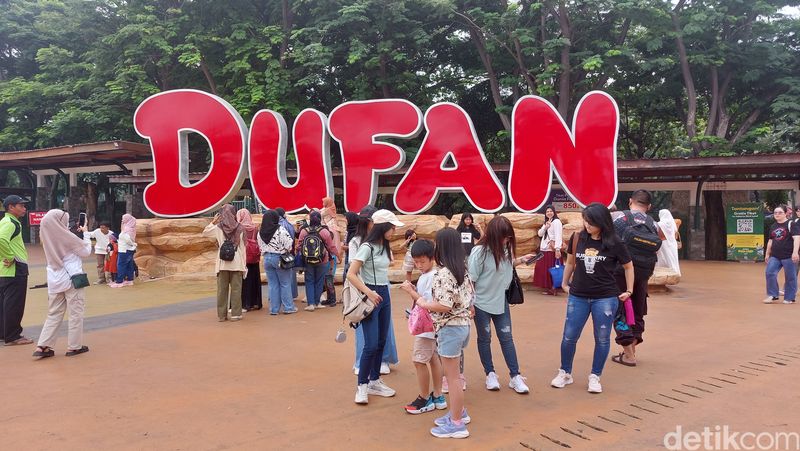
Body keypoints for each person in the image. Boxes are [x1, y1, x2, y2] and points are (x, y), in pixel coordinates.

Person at [551, 203, 634, 393]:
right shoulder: (578, 237)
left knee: (602, 338)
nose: (587, 225)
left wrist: (629, 290)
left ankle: (595, 376)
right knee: (569, 336)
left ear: (602, 222)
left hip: (605, 297)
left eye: (591, 222)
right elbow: (570, 262)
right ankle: (565, 372)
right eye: (585, 221)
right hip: (578, 295)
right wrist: (564, 283)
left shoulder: (614, 242)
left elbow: (629, 266)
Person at [467, 215, 535, 394]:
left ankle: (515, 376)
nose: (507, 240)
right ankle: (490, 373)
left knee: (507, 338)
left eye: (509, 237)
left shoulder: (505, 249)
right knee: (485, 339)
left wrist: (521, 260)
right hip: (481, 303)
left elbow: (506, 265)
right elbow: (470, 280)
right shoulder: (479, 252)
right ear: (494, 235)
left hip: (501, 301)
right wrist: (470, 304)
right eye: (504, 237)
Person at [348, 209, 404, 405]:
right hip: (371, 295)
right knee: (370, 344)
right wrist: (369, 292)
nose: (394, 230)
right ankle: (362, 386)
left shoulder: (384, 246)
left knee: (381, 341)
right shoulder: (367, 247)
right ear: (383, 227)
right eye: (392, 227)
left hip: (384, 294)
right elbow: (351, 274)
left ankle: (374, 381)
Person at [423, 228, 474, 439]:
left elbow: (444, 305)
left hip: (450, 328)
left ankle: (456, 424)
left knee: (452, 378)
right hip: (462, 326)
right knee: (454, 376)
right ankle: (457, 412)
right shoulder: (462, 269)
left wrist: (423, 303)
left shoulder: (443, 274)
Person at [611, 190, 665, 366]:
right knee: (637, 309)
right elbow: (658, 245)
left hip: (620, 272)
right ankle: (631, 349)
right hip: (643, 273)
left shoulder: (618, 217)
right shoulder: (653, 224)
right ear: (648, 206)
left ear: (630, 201)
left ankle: (628, 356)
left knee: (621, 310)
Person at [32, 209, 93, 359]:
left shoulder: (45, 236)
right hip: (72, 279)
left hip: (54, 279)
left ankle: (43, 346)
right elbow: (85, 252)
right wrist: (85, 233)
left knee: (53, 313)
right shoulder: (67, 237)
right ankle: (74, 346)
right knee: (76, 313)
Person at [399, 239, 446, 415]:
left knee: (419, 361)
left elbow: (423, 302)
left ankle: (424, 397)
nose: (419, 265)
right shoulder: (436, 274)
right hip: (434, 325)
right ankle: (438, 395)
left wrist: (410, 291)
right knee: (434, 358)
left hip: (426, 327)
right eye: (416, 261)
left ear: (432, 258)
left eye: (422, 261)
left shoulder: (429, 277)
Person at [203, 204, 247, 321]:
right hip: (236, 262)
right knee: (236, 290)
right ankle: (236, 314)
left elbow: (205, 232)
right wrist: (244, 266)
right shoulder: (240, 228)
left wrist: (213, 222)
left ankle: (222, 315)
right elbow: (243, 249)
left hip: (222, 263)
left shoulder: (218, 227)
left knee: (222, 290)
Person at [0, 195, 33, 346]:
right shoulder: (12, 223)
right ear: (11, 207)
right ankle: (13, 336)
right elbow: (1, 239)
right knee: (14, 303)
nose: (24, 208)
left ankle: (4, 333)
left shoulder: (5, 221)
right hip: (15, 268)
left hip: (6, 270)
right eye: (21, 205)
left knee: (5, 302)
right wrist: (10, 256)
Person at [297, 210, 339, 311]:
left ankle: (311, 304)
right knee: (319, 281)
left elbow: (298, 246)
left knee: (309, 281)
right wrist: (337, 255)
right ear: (320, 219)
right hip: (322, 260)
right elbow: (331, 246)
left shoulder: (304, 231)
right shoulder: (324, 231)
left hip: (308, 261)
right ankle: (318, 302)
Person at [259, 210, 296, 315]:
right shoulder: (280, 229)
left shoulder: (260, 231)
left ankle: (274, 309)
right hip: (279, 258)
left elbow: (260, 245)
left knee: (272, 284)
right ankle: (288, 307)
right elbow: (289, 243)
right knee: (285, 283)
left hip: (266, 258)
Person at [763, 205, 799, 304]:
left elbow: (797, 238)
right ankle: (772, 295)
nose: (777, 214)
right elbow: (770, 241)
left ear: (786, 213)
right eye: (775, 213)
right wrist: (767, 254)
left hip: (788, 255)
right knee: (770, 273)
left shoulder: (791, 224)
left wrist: (795, 252)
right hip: (775, 256)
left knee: (790, 277)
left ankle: (790, 297)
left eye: (780, 212)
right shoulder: (773, 226)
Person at [533, 205, 564, 295]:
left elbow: (558, 235)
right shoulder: (547, 222)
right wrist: (545, 227)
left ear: (554, 212)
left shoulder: (557, 221)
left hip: (552, 250)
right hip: (545, 249)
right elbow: (539, 234)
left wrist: (557, 249)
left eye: (551, 211)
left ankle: (554, 288)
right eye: (547, 212)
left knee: (553, 269)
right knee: (543, 269)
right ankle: (550, 288)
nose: (549, 213)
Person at [237, 208, 262, 311]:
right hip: (254, 258)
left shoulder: (239, 228)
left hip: (244, 257)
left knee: (244, 281)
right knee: (255, 279)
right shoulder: (255, 228)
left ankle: (245, 304)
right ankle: (255, 302)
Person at [321, 197, 344, 302]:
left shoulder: (329, 222)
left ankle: (332, 299)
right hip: (333, 253)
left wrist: (337, 254)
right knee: (328, 276)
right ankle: (331, 298)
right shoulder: (333, 220)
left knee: (328, 277)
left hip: (330, 254)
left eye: (323, 202)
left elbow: (332, 244)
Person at [275, 208, 299, 301]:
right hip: (290, 253)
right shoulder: (289, 224)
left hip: (282, 253)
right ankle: (292, 294)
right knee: (291, 275)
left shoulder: (279, 225)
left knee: (283, 278)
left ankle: (284, 297)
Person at [109, 214, 137, 288]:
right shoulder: (131, 227)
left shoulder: (127, 229)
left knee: (121, 265)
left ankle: (119, 281)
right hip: (129, 250)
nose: (122, 220)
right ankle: (130, 280)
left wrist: (133, 244)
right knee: (129, 265)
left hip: (124, 250)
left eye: (124, 219)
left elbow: (127, 239)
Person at [656, 209, 681, 276]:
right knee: (673, 258)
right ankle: (675, 272)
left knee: (663, 258)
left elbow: (658, 233)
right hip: (672, 243)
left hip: (663, 243)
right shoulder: (673, 223)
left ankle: (663, 273)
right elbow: (676, 232)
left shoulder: (660, 224)